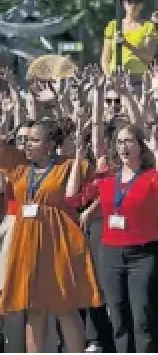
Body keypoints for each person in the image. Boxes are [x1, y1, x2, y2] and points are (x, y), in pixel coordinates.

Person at [0, 117, 100, 352]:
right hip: (26, 239)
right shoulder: (20, 166)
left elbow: (97, 186)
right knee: (33, 307)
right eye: (26, 140)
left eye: (34, 140)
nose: (27, 144)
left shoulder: (65, 166)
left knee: (64, 305)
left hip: (57, 240)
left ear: (49, 145)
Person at [93, 122, 158, 353]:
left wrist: (157, 152)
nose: (123, 147)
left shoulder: (150, 177)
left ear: (140, 146)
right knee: (118, 319)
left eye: (128, 141)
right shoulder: (109, 178)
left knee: (142, 319)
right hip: (110, 254)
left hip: (143, 254)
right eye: (119, 142)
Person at [102, 0, 158, 85]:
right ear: (124, 4)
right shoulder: (113, 25)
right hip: (116, 76)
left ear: (142, 5)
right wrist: (108, 76)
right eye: (130, 1)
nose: (133, 5)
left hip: (138, 78)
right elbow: (105, 59)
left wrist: (127, 44)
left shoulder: (148, 27)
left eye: (137, 2)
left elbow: (149, 57)